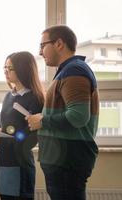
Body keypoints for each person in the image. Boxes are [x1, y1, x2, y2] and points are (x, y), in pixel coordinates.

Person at [26, 25, 99, 200]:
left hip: (67, 161)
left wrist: (42, 121)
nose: (40, 51)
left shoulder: (74, 71)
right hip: (63, 160)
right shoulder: (68, 71)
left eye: (43, 45)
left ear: (59, 43)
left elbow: (78, 117)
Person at [0, 51, 44, 200]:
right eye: (5, 68)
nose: (6, 72)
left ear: (23, 69)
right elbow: (7, 127)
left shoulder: (35, 98)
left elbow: (29, 138)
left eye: (10, 69)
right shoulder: (9, 96)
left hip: (20, 163)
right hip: (5, 160)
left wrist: (2, 139)